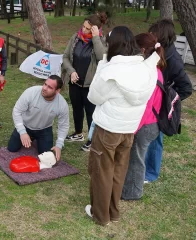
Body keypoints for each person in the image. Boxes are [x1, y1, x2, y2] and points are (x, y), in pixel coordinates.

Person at [85, 26, 160, 226]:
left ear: (113, 44)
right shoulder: (145, 68)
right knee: (118, 171)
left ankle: (100, 215)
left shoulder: (111, 70)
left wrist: (102, 64)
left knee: (103, 171)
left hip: (108, 129)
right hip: (128, 130)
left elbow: (93, 96)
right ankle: (113, 212)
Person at [144, 19, 193, 183]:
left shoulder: (174, 60)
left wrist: (167, 100)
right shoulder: (156, 51)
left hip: (160, 108)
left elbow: (186, 88)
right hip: (148, 104)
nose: (151, 35)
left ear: (162, 35)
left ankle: (151, 173)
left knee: (155, 140)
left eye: (154, 33)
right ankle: (141, 167)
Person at [122, 33, 166, 200]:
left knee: (136, 160)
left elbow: (147, 107)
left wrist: (135, 128)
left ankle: (133, 193)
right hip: (150, 123)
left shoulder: (150, 73)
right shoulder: (155, 69)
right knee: (135, 158)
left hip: (146, 125)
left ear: (141, 49)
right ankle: (129, 188)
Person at [62, 13, 107, 152]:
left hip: (90, 85)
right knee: (76, 108)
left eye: (88, 28)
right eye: (84, 26)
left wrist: (95, 38)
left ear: (95, 29)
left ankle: (92, 140)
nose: (84, 30)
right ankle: (78, 133)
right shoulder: (76, 38)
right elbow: (65, 57)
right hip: (75, 82)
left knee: (90, 113)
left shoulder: (101, 40)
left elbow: (101, 57)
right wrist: (71, 71)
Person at [7, 75, 69, 161]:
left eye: (50, 87)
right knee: (12, 148)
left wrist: (59, 145)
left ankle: (35, 139)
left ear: (57, 91)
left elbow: (64, 125)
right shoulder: (31, 92)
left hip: (44, 129)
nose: (44, 88)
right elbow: (17, 111)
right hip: (26, 125)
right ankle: (28, 136)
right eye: (45, 84)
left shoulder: (62, 104)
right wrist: (22, 132)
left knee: (46, 155)